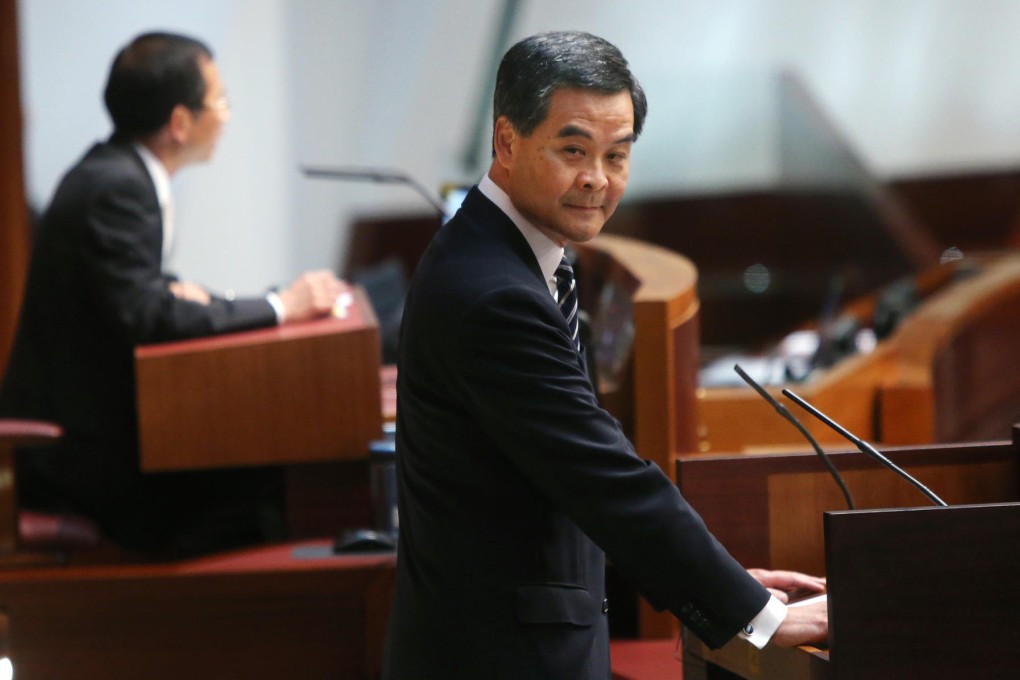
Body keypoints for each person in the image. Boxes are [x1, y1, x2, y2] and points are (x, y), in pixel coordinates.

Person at [382, 31, 827, 678]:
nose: (597, 178)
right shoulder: (495, 296)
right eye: (573, 150)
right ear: (507, 141)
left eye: (616, 155)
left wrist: (727, 585)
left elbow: (564, 481)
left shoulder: (503, 255)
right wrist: (757, 614)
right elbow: (603, 476)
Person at [0, 32, 345, 556]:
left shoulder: (115, 172)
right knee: (277, 478)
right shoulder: (118, 188)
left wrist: (178, 293)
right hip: (76, 458)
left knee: (273, 462)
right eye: (220, 102)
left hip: (92, 437)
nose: (226, 116)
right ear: (180, 123)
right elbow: (147, 315)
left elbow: (135, 294)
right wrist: (282, 306)